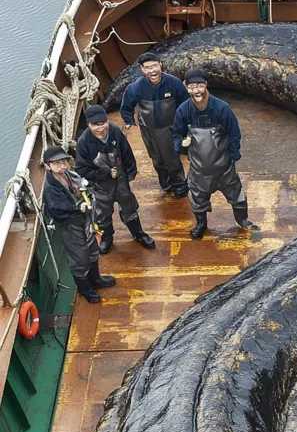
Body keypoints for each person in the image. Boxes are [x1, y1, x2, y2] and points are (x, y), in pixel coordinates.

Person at [172, 68, 259, 240]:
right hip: (199, 170)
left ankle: (242, 220)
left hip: (224, 167)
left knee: (238, 197)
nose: (196, 91)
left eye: (200, 86)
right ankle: (201, 225)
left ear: (206, 86)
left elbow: (234, 132)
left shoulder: (221, 108)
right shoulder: (183, 111)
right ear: (186, 88)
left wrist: (234, 154)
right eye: (192, 87)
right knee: (198, 200)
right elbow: (176, 133)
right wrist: (179, 146)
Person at [75, 104, 155, 255]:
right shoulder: (83, 143)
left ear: (107, 121)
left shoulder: (115, 131)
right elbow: (82, 170)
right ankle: (107, 239)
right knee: (103, 214)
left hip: (120, 181)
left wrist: (131, 171)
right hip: (100, 186)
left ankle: (139, 234)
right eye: (95, 125)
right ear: (89, 125)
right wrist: (104, 174)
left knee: (130, 207)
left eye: (103, 123)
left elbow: (126, 152)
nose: (101, 128)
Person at [42, 145, 116, 304]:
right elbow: (56, 209)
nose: (62, 166)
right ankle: (85, 290)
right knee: (80, 257)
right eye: (56, 163)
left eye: (64, 162)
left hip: (85, 219)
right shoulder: (50, 188)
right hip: (70, 226)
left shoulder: (69, 175)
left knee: (92, 249)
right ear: (48, 166)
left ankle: (96, 280)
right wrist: (77, 207)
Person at [120, 52, 189, 198]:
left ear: (160, 65)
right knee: (157, 159)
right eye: (148, 68)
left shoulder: (174, 83)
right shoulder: (136, 87)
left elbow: (185, 104)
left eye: (154, 66)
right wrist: (129, 122)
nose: (152, 71)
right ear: (142, 69)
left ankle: (180, 186)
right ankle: (166, 184)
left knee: (172, 158)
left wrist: (184, 126)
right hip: (148, 130)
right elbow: (126, 107)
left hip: (170, 128)